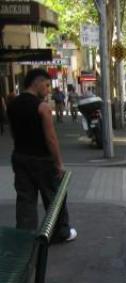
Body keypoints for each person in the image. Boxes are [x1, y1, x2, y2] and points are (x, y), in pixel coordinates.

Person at [6, 68, 77, 242]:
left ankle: (25, 237)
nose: (48, 89)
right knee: (54, 197)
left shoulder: (12, 104)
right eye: (46, 85)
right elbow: (51, 139)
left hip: (20, 157)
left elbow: (13, 133)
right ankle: (61, 232)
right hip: (42, 160)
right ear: (36, 83)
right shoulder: (42, 107)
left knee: (25, 199)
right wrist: (59, 163)